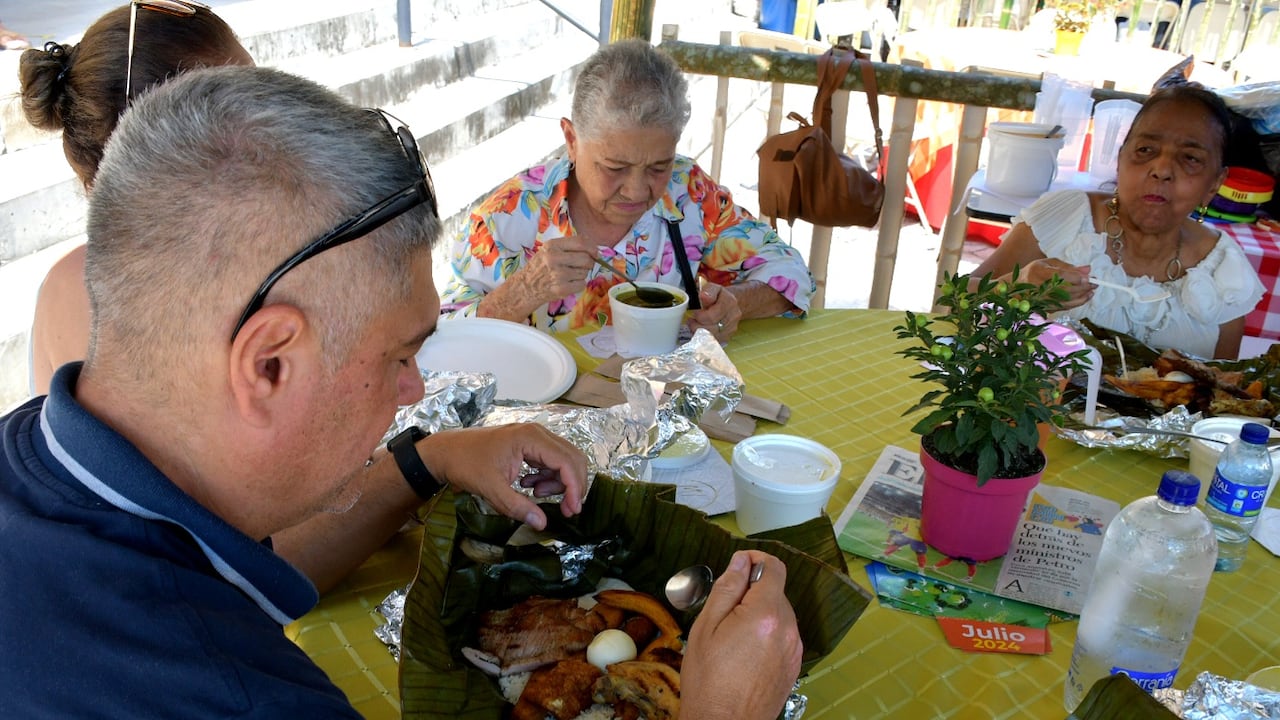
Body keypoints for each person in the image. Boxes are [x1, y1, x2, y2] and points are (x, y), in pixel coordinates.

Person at [0, 65, 802, 718]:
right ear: (270, 363)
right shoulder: (235, 695)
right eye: (400, 357)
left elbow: (270, 561)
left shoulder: (42, 451)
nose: (417, 386)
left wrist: (429, 460)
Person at [441, 39, 815, 342]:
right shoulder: (509, 214)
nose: (638, 190)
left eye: (658, 166)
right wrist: (522, 292)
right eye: (614, 168)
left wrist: (737, 303)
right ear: (571, 140)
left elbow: (790, 269)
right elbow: (438, 341)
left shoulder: (688, 192)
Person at [21, 2, 254, 396]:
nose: (275, 129)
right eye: (243, 112)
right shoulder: (96, 290)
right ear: (148, 144)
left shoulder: (70, 279)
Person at [970, 83, 1264, 360]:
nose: (1161, 170)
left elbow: (1222, 388)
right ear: (1121, 158)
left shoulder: (1222, 267)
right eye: (1145, 150)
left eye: (1190, 158)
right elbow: (951, 304)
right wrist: (1016, 287)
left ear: (1214, 183)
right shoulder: (1068, 217)